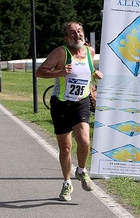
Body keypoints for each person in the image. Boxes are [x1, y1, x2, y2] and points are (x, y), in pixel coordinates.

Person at [36, 21, 103, 201]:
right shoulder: (60, 53)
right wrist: (59, 73)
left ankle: (81, 170)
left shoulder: (89, 52)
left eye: (79, 31)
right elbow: (39, 72)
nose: (77, 35)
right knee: (65, 148)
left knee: (85, 141)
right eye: (72, 33)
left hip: (81, 102)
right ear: (66, 38)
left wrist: (95, 74)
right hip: (61, 104)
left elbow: (86, 73)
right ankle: (67, 183)